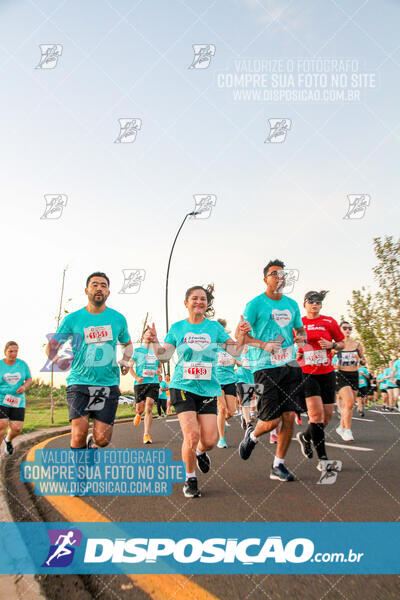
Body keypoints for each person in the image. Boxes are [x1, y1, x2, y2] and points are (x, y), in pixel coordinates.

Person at [145, 284, 246, 498]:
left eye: (203, 299)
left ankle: (201, 452)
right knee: (191, 436)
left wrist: (242, 334)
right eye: (195, 298)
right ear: (186, 303)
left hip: (208, 388)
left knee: (208, 441)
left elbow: (235, 349)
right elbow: (163, 356)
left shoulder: (214, 328)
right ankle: (190, 479)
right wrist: (153, 341)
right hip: (183, 386)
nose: (199, 302)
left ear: (207, 304)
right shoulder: (178, 328)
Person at [46, 272, 132, 453]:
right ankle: (81, 477)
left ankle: (94, 441)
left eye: (103, 285)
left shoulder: (118, 318)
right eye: (95, 285)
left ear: (108, 292)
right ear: (86, 290)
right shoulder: (72, 319)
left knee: (102, 439)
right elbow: (51, 347)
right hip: (80, 382)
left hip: (107, 384)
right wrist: (59, 362)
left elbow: (127, 343)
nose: (99, 288)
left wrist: (125, 360)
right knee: (78, 434)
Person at [237, 259, 306, 482]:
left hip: (290, 365)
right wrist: (264, 344)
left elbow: (299, 329)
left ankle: (278, 465)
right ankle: (253, 434)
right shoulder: (255, 305)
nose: (279, 277)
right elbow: (243, 337)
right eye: (274, 273)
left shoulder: (292, 304)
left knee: (288, 416)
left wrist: (302, 339)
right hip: (265, 366)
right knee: (271, 421)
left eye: (282, 274)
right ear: (265, 278)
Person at [295, 291, 345, 471]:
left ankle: (306, 437)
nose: (315, 304)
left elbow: (341, 343)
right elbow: (296, 345)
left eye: (318, 302)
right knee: (316, 416)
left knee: (327, 416)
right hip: (307, 372)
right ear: (305, 303)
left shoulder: (329, 321)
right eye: (311, 301)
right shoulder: (299, 323)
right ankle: (323, 460)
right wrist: (298, 350)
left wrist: (332, 345)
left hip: (327, 372)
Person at [335, 321, 367, 442]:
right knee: (348, 402)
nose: (348, 330)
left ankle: (341, 426)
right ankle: (347, 430)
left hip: (354, 374)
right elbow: (330, 359)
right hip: (342, 375)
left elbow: (364, 361)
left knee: (350, 404)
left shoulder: (357, 345)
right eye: (345, 328)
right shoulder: (337, 345)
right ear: (340, 329)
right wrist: (334, 365)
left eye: (350, 328)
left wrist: (360, 359)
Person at [0, 341, 32, 455]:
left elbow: (29, 379)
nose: (13, 354)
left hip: (18, 401)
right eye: (10, 351)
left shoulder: (22, 364)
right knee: (1, 425)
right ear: (5, 352)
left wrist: (24, 386)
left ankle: (8, 440)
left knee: (17, 429)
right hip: (2, 399)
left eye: (16, 351)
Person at [130, 342, 161, 443]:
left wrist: (159, 371)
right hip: (140, 383)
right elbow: (129, 366)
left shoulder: (156, 351)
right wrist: (136, 377)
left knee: (149, 405)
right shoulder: (138, 351)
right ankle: (139, 414)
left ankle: (146, 434)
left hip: (153, 383)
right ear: (144, 337)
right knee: (140, 408)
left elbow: (159, 366)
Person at [215, 318, 238, 448]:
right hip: (217, 380)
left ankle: (222, 423)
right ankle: (222, 439)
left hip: (230, 380)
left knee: (231, 412)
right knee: (221, 409)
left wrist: (237, 361)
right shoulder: (212, 346)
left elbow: (239, 357)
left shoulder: (230, 346)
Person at [236, 345, 257, 430]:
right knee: (245, 401)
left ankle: (245, 417)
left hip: (252, 379)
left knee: (251, 399)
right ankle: (248, 423)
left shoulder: (253, 353)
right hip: (241, 379)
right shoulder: (237, 353)